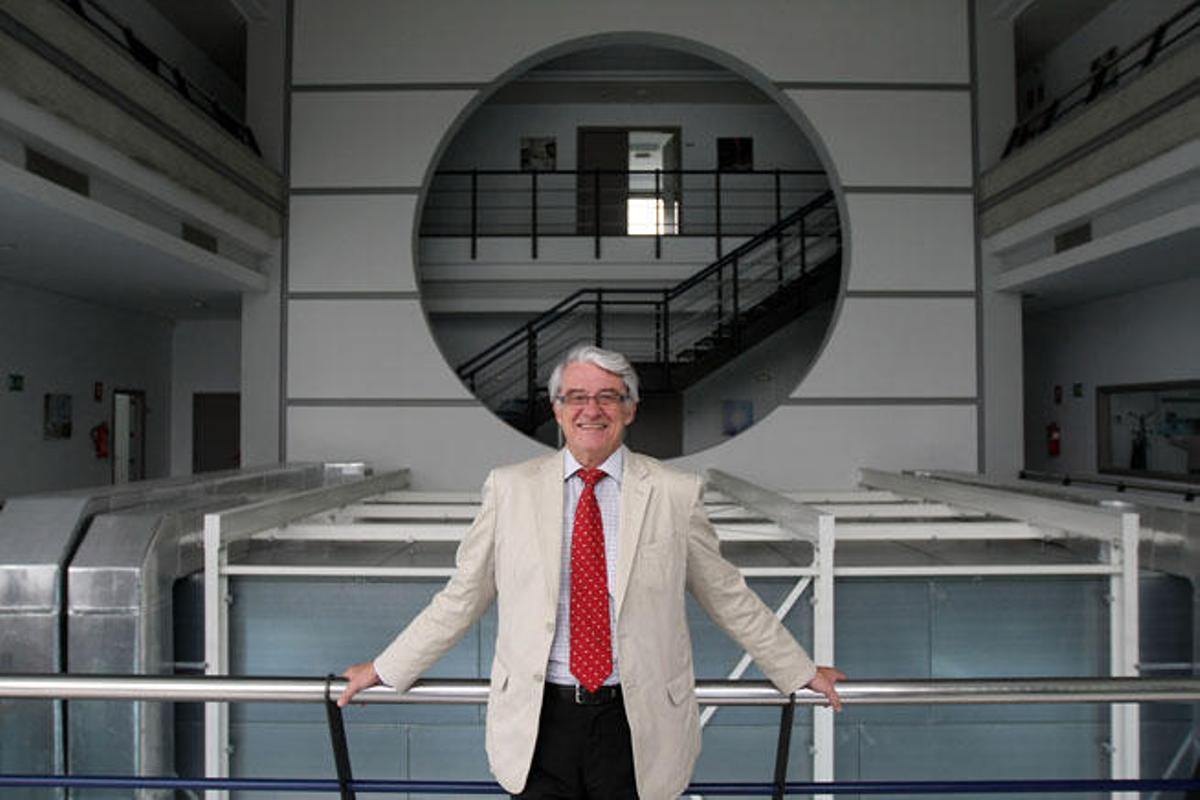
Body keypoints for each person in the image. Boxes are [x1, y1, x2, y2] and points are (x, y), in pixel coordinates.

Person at [339, 344, 845, 800]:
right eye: (576, 396)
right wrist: (386, 667)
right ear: (557, 409)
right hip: (538, 722)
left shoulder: (675, 492)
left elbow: (728, 596)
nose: (591, 410)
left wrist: (798, 670)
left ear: (629, 409)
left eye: (608, 396)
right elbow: (462, 596)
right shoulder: (509, 488)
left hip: (637, 721)